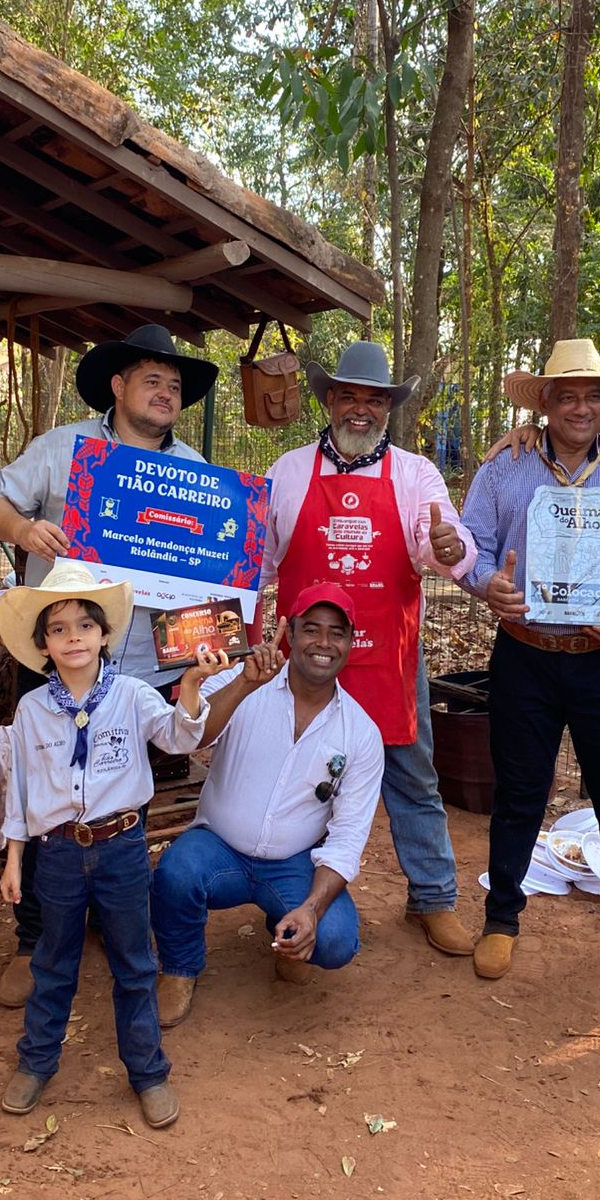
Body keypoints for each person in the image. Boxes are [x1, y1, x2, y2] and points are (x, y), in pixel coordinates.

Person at [0, 325, 219, 1006]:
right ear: (117, 386)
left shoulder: (195, 470)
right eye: (152, 381)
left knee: (124, 791)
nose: (165, 394)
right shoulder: (64, 448)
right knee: (43, 789)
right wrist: (23, 530)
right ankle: (32, 939)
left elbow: (214, 562)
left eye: (175, 386)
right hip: (61, 657)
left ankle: (117, 919)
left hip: (145, 666)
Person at [458, 339, 600, 995]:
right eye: (567, 396)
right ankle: (501, 919)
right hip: (525, 655)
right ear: (546, 405)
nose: (580, 408)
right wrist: (486, 585)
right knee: (518, 792)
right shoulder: (504, 469)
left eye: (591, 395)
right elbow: (472, 545)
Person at [259, 341, 477, 956]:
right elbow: (259, 562)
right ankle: (288, 904)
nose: (361, 409)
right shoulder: (287, 471)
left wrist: (451, 548)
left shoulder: (414, 474)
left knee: (413, 780)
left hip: (387, 657)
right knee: (297, 783)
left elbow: (442, 540)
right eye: (349, 396)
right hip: (303, 663)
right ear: (330, 400)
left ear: (388, 409)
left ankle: (433, 897)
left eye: (374, 401)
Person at [0, 563, 227, 1121]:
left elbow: (178, 738)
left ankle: (148, 1071)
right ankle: (36, 1062)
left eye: (85, 626)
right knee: (53, 961)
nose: (73, 637)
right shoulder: (32, 709)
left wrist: (190, 689)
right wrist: (14, 858)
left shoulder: (132, 695)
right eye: (58, 629)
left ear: (104, 635)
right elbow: (20, 788)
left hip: (121, 848)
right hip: (57, 851)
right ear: (43, 645)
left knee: (134, 962)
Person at [152, 584, 384, 1027]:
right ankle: (180, 969)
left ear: (349, 644)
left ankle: (288, 928)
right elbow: (188, 740)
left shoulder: (361, 732)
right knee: (174, 875)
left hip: (293, 864)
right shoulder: (243, 680)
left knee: (334, 940)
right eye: (311, 629)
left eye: (336, 633)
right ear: (289, 633)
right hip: (219, 850)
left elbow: (348, 837)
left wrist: (311, 908)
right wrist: (243, 684)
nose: (323, 643)